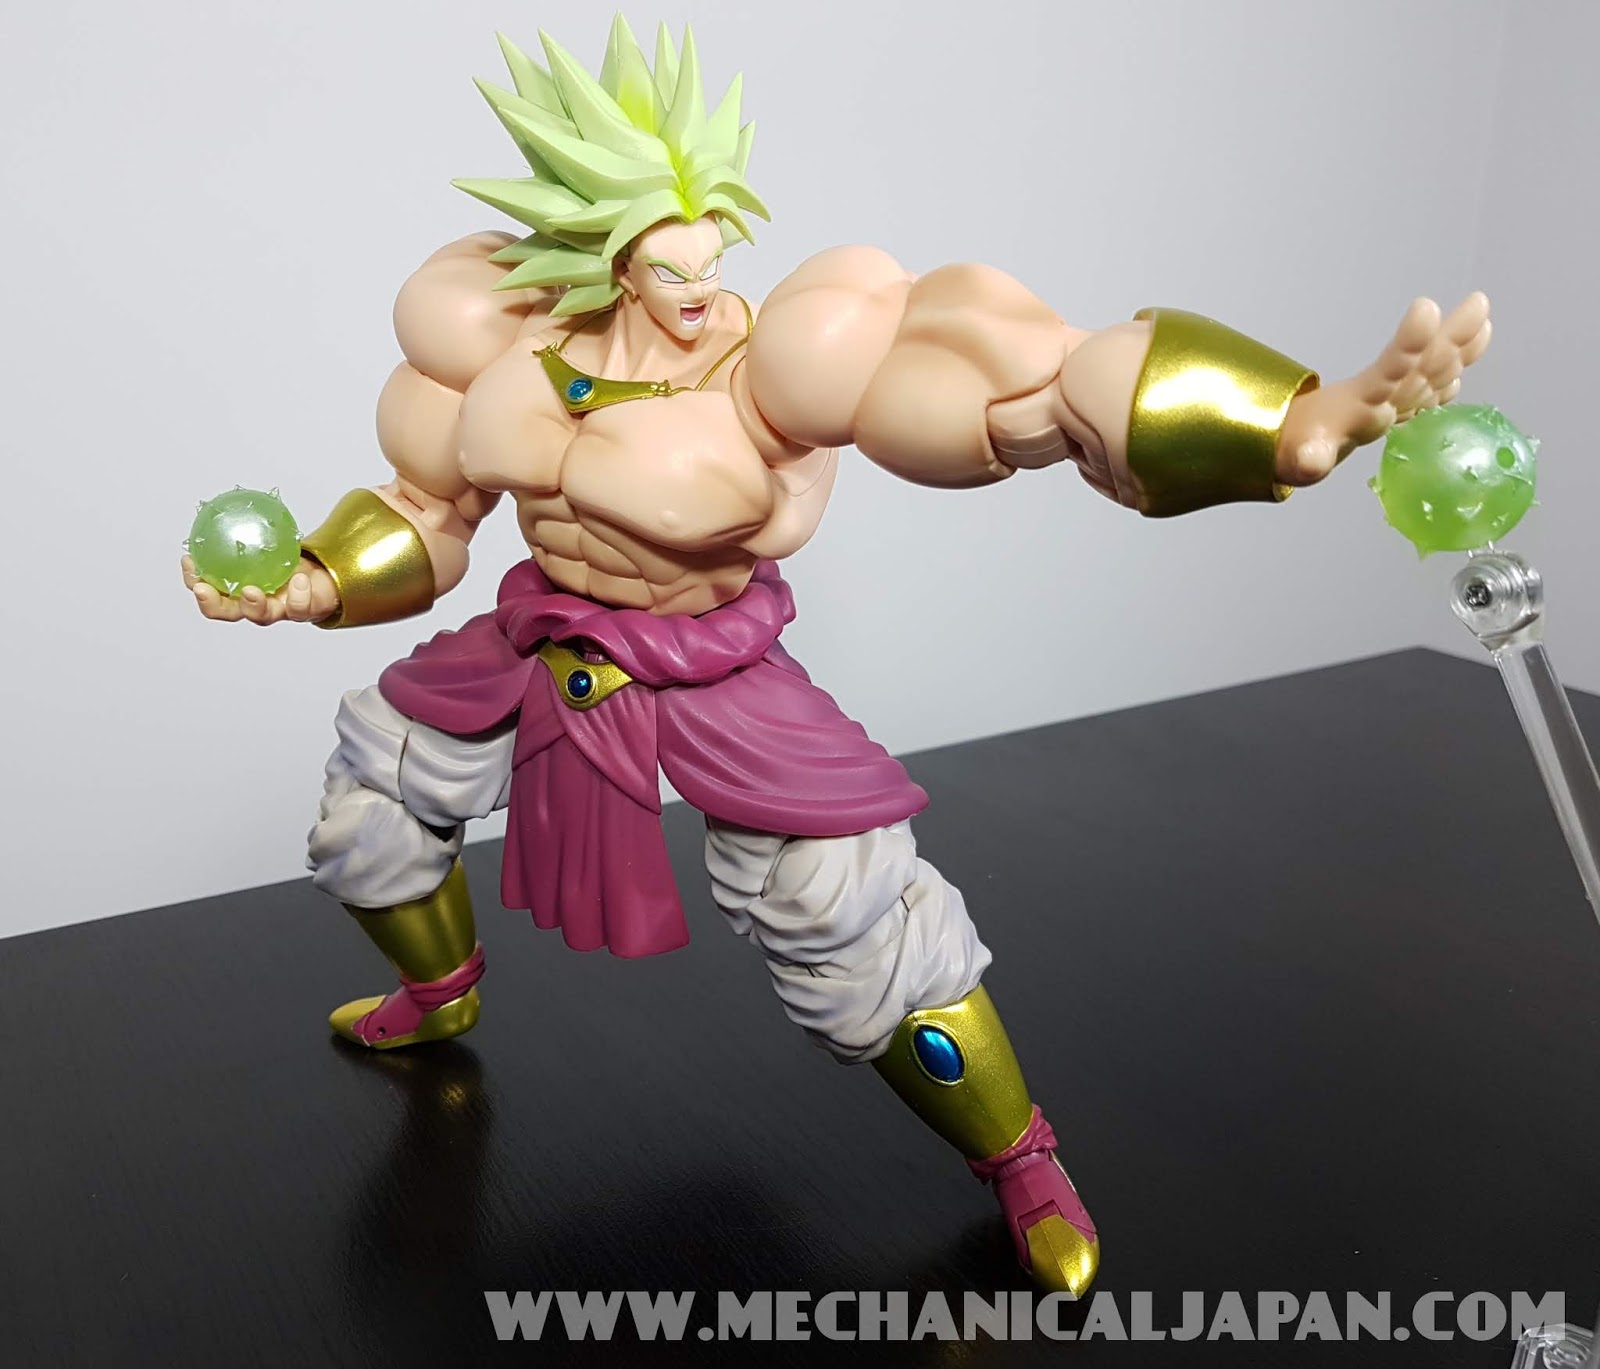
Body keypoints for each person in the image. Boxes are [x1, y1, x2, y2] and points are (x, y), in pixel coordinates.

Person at [182, 18, 1491, 1297]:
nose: (702, 289)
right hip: (546, 633)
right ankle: (440, 989)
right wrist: (311, 581)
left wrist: (1289, 422)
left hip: (711, 666)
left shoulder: (778, 359)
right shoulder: (498, 343)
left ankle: (1021, 1161)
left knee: (855, 917)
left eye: (713, 253)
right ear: (600, 262)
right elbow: (425, 513)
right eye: (668, 268)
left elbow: (1031, 389)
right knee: (373, 789)